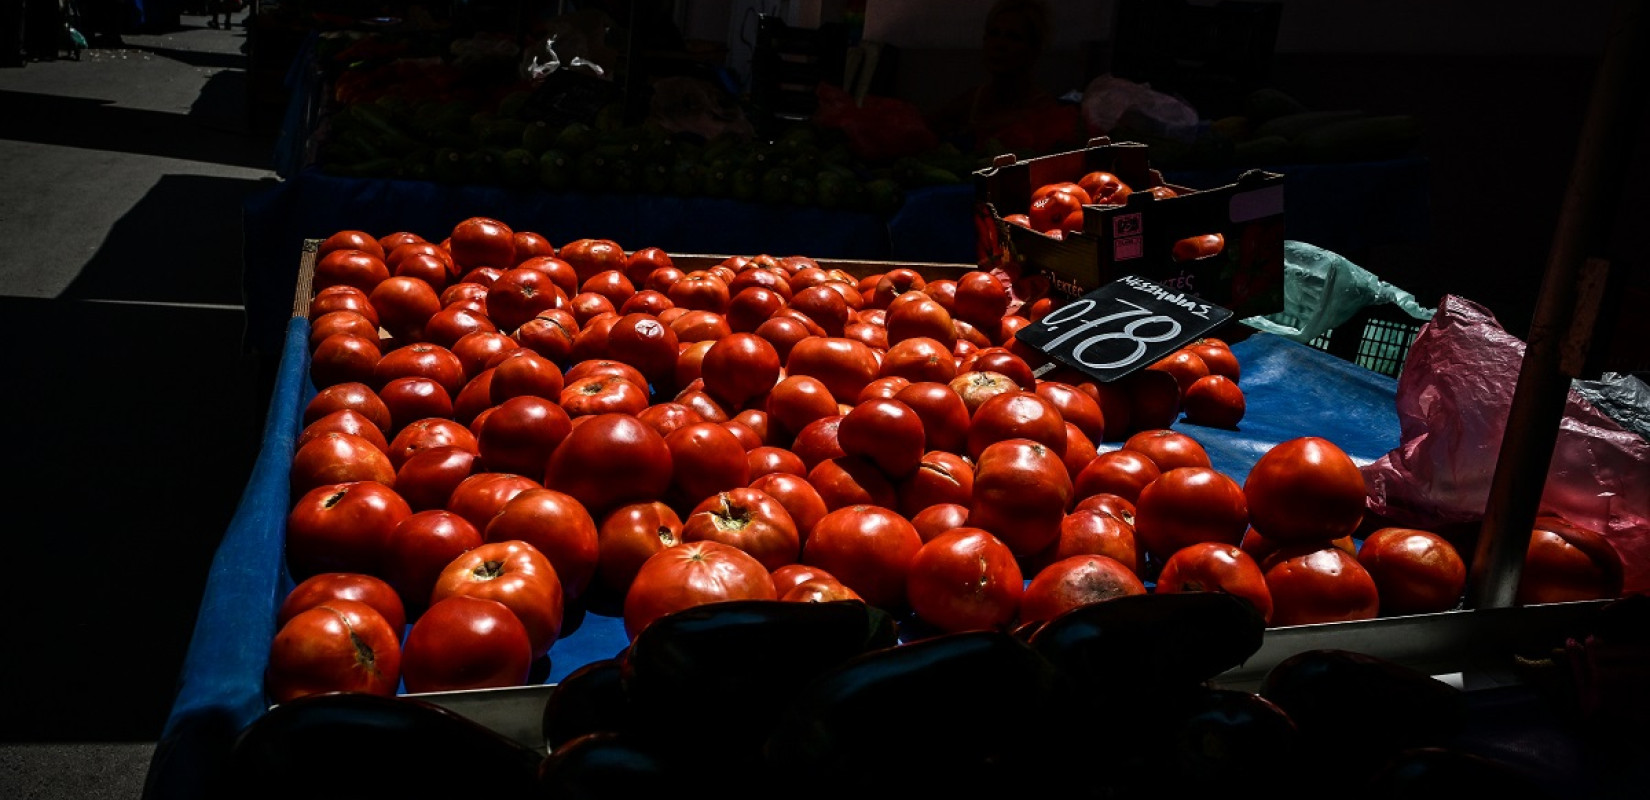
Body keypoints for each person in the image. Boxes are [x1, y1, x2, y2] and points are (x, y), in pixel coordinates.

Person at [925, 0, 1083, 156]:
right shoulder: (969, 103)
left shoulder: (1046, 115)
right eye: (994, 34)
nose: (999, 44)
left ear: (1034, 49)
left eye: (1013, 37)